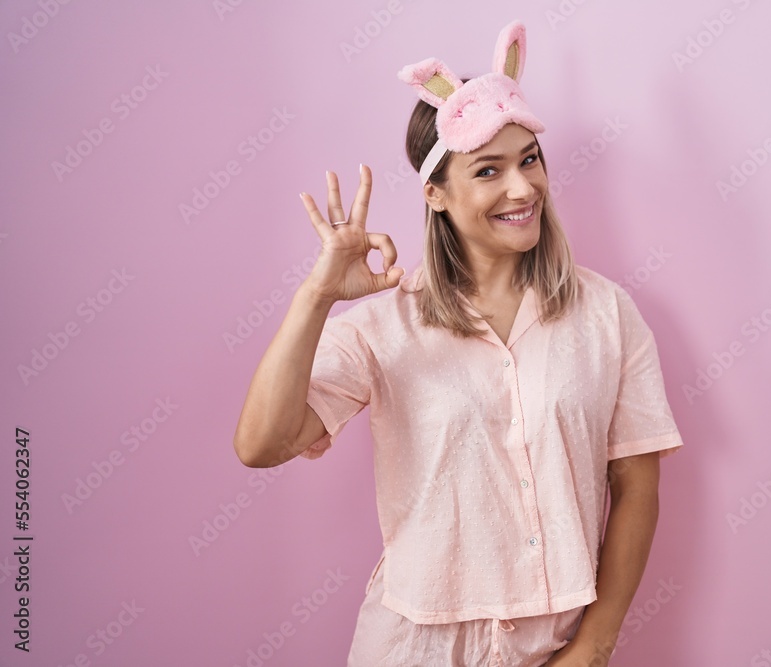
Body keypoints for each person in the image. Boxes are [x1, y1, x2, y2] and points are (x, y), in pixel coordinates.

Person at [233, 20, 684, 667]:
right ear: (436, 193)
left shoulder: (607, 314)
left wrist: (593, 647)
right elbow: (260, 445)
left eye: (530, 159)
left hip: (554, 647)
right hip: (413, 647)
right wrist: (318, 295)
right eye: (488, 170)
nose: (522, 188)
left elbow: (636, 485)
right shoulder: (385, 327)